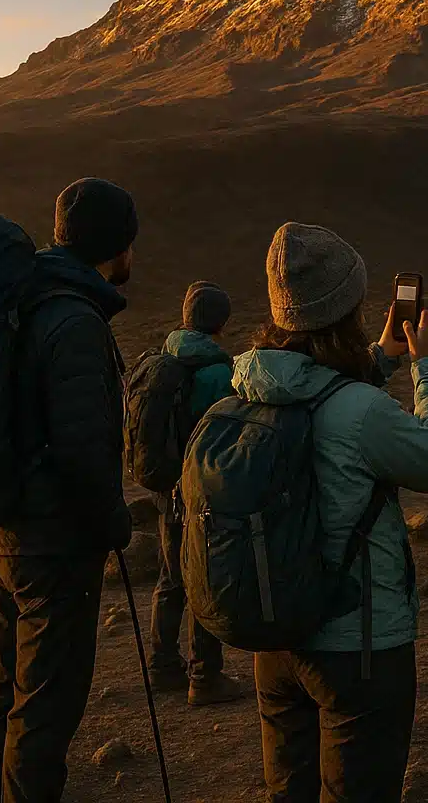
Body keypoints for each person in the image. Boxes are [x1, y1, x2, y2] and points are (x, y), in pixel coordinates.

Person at [245, 222, 428, 802]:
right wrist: (426, 368)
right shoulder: (360, 411)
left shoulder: (248, 389)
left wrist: (382, 358)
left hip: (277, 635)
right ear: (349, 307)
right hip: (358, 646)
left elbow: (316, 389)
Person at [0, 178, 137, 803]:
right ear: (118, 247)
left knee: (1, 692)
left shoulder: (24, 298)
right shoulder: (74, 317)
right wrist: (112, 521)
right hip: (51, 543)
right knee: (42, 712)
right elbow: (83, 450)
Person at [150, 280, 243, 705]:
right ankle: (205, 677)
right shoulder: (217, 372)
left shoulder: (162, 360)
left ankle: (162, 666)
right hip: (201, 491)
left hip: (165, 487)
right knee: (203, 576)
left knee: (171, 578)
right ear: (220, 324)